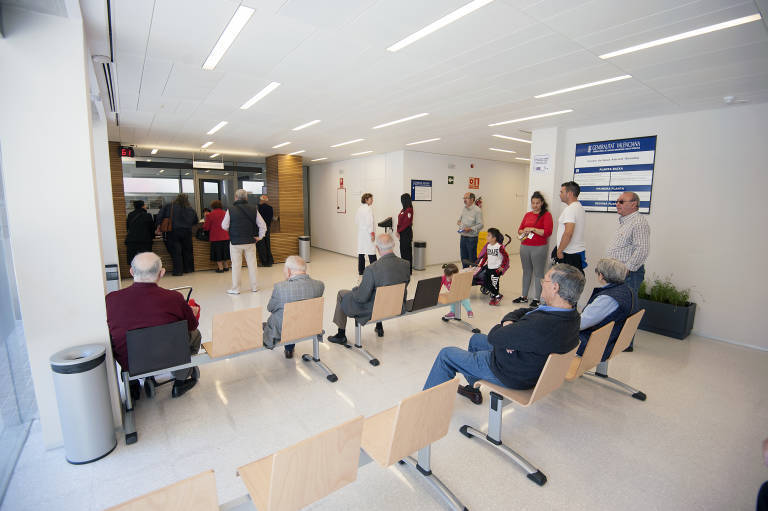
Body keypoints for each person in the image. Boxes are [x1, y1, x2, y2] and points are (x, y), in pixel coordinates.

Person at [423, 264, 584, 405]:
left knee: (446, 355)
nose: (541, 284)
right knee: (476, 339)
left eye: (545, 281)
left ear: (555, 287)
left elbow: (495, 336)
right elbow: (523, 311)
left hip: (511, 373)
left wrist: (507, 331)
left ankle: (424, 407)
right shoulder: (571, 315)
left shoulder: (540, 324)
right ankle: (473, 390)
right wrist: (509, 326)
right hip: (529, 365)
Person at [106, 252, 201, 399]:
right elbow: (192, 326)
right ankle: (181, 378)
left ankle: (132, 384)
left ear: (131, 272)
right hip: (168, 356)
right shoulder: (174, 298)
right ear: (161, 273)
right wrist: (192, 313)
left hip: (132, 362)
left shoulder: (111, 300)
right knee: (195, 334)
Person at [327, 233, 410, 344]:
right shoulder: (405, 264)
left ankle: (341, 334)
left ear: (377, 248)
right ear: (393, 245)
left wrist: (356, 289)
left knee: (342, 294)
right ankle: (379, 326)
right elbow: (405, 284)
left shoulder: (372, 269)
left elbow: (361, 297)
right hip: (396, 305)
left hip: (375, 309)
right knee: (379, 291)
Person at [577, 258, 636, 373]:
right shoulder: (628, 291)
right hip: (613, 339)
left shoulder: (607, 299)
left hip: (598, 344)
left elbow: (579, 324)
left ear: (601, 275)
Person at [263, 255, 324, 359]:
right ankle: (289, 349)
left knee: (283, 315)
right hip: (309, 326)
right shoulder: (319, 285)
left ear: (289, 270)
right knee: (295, 313)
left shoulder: (280, 287)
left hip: (285, 329)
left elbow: (270, 308)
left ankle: (286, 347)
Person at [606, 191, 650, 300]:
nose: (617, 204)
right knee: (616, 305)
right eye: (616, 202)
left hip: (628, 275)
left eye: (621, 202)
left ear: (633, 204)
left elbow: (642, 249)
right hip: (618, 273)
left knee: (624, 305)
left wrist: (626, 270)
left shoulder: (638, 222)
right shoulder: (626, 222)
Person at [222, 189, 266, 294]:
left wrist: (232, 230)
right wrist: (260, 237)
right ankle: (255, 287)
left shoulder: (231, 209)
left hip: (235, 242)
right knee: (252, 264)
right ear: (246, 198)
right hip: (250, 241)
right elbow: (262, 225)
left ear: (236, 198)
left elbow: (224, 225)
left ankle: (236, 289)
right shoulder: (253, 209)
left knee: (236, 266)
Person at [513, 191, 553, 307]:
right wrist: (525, 230)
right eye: (533, 203)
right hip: (525, 246)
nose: (535, 205)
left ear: (541, 203)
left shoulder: (546, 215)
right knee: (526, 271)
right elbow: (519, 230)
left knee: (538, 273)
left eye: (537, 203)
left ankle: (537, 298)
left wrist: (533, 229)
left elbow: (547, 232)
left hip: (539, 248)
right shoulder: (528, 215)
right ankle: (523, 296)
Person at [156, 193, 198, 276]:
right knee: (187, 251)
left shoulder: (169, 206)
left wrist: (158, 226)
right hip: (187, 232)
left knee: (176, 252)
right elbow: (195, 221)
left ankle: (178, 271)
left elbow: (159, 217)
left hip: (173, 232)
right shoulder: (190, 209)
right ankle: (188, 269)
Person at [553, 181, 586, 274]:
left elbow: (568, 233)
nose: (560, 194)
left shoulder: (571, 209)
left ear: (569, 193)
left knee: (567, 284)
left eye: (561, 192)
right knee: (574, 282)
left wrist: (560, 250)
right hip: (576, 252)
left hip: (569, 254)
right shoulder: (579, 207)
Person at [475, 227, 509, 306]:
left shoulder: (499, 247)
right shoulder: (488, 246)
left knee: (494, 283)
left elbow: (506, 257)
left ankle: (497, 296)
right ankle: (494, 294)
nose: (487, 237)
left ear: (494, 238)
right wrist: (481, 264)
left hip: (496, 269)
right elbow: (486, 256)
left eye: (488, 236)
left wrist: (502, 266)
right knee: (486, 282)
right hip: (489, 268)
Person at [202, 200, 230, 273]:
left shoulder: (210, 215)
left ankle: (220, 268)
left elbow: (206, 227)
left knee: (218, 253)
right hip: (226, 236)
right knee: (225, 252)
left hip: (215, 237)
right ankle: (226, 267)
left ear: (212, 206)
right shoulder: (225, 213)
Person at [125, 200, 155, 266]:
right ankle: (146, 274)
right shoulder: (147, 216)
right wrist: (152, 237)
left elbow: (128, 227)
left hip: (132, 242)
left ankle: (135, 274)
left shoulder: (130, 215)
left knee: (133, 261)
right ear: (143, 206)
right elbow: (152, 229)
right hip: (144, 242)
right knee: (146, 260)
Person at [457, 192, 484, 268]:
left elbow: (481, 225)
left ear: (472, 199)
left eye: (466, 198)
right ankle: (465, 273)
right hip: (463, 236)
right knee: (463, 257)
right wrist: (459, 223)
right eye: (464, 198)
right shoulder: (464, 208)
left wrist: (470, 228)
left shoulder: (477, 210)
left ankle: (473, 276)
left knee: (472, 259)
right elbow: (459, 220)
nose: (464, 200)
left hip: (471, 238)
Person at [356, 193, 377, 276]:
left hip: (361, 233)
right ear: (366, 200)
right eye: (371, 199)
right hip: (368, 233)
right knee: (371, 252)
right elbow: (370, 223)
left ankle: (361, 271)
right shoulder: (368, 209)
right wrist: (372, 233)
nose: (372, 200)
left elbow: (356, 221)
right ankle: (375, 270)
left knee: (361, 252)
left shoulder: (359, 209)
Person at [396, 193, 414, 274]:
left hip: (406, 232)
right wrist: (397, 231)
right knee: (402, 251)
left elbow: (406, 223)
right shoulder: (403, 210)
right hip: (402, 233)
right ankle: (404, 269)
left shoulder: (409, 210)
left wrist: (399, 231)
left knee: (407, 252)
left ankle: (408, 270)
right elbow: (399, 222)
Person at [256, 194, 274, 267]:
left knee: (261, 245)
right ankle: (270, 261)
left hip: (260, 228)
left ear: (261, 200)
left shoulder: (258, 208)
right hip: (268, 228)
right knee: (267, 244)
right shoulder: (270, 208)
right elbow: (271, 218)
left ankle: (264, 262)